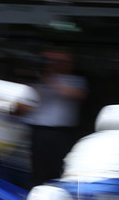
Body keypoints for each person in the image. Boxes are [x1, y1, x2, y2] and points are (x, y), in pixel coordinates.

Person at [25, 49, 88, 187]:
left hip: (62, 133)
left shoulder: (76, 80)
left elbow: (75, 94)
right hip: (40, 132)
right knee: (39, 168)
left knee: (60, 167)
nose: (53, 64)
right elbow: (26, 101)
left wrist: (50, 78)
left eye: (58, 61)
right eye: (50, 61)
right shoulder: (36, 80)